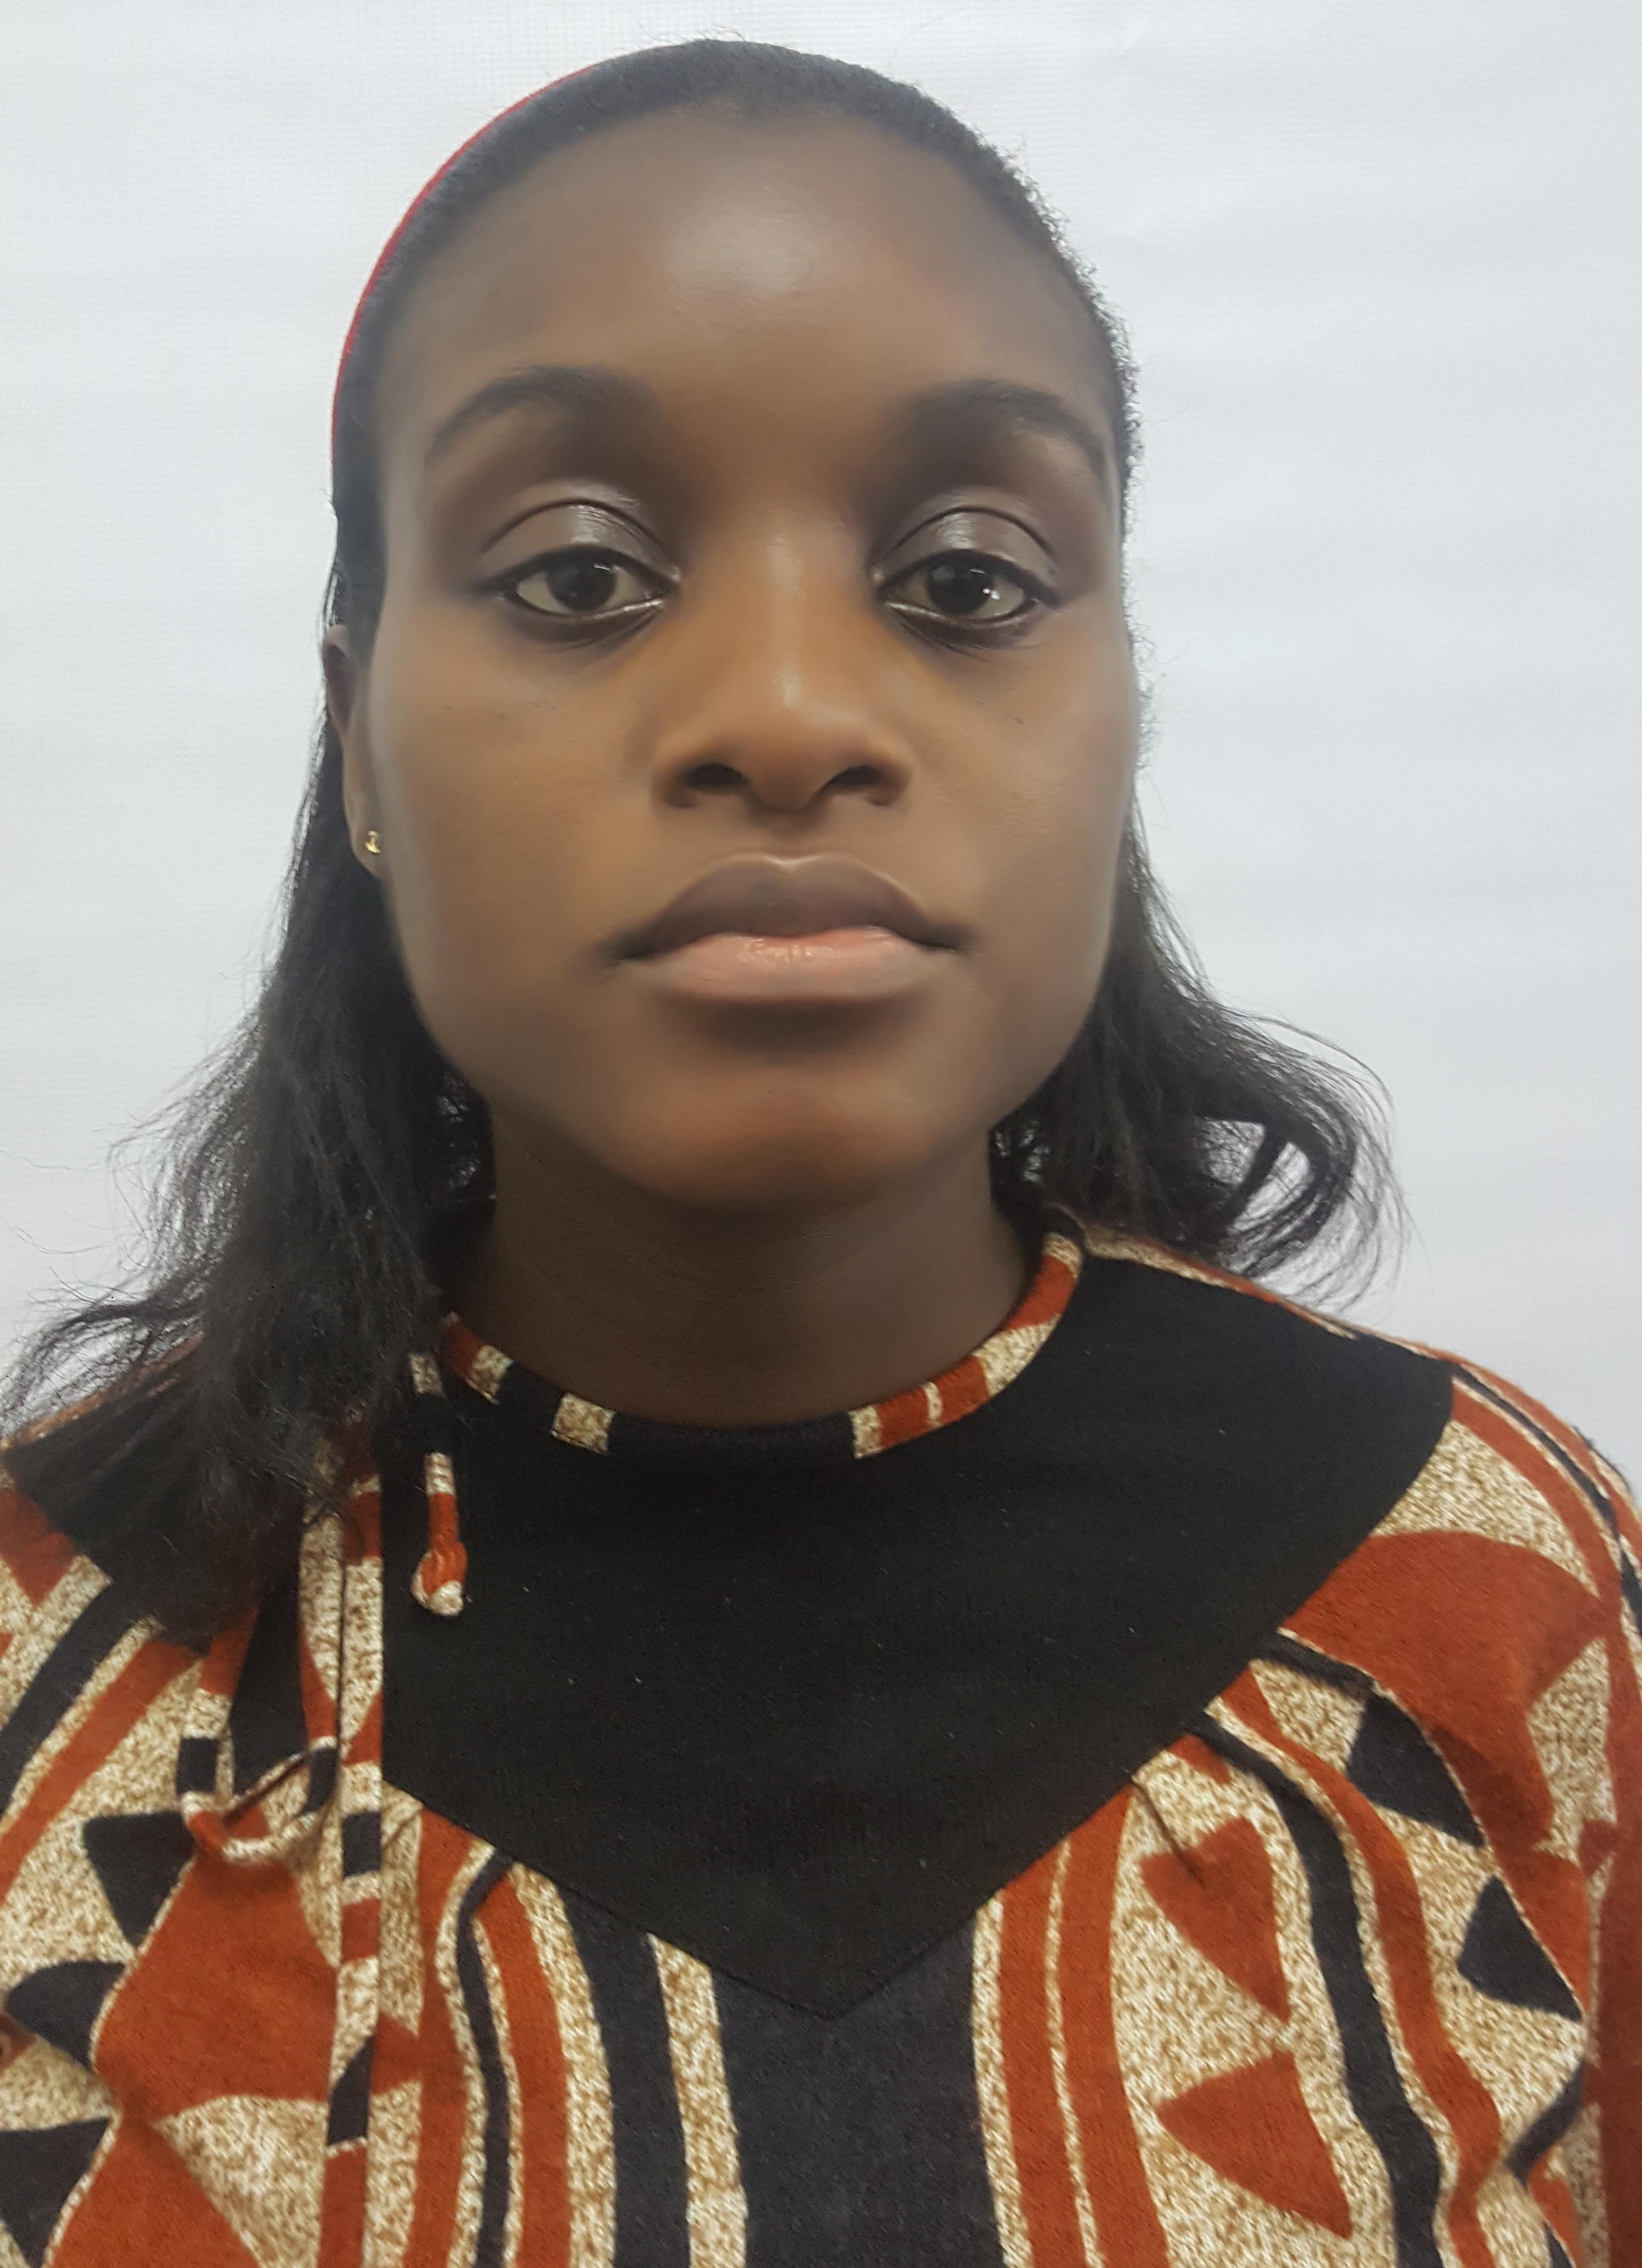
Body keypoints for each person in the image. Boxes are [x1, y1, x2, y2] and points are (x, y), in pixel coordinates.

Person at [0, 36, 1635, 2267]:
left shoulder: (1499, 1590)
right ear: (357, 742)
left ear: (1121, 710)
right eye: (576, 574)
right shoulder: (50, 1659)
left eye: (966, 582)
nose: (786, 713)